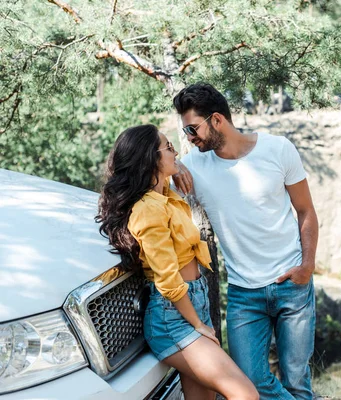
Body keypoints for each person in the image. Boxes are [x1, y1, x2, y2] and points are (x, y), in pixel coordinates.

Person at [172, 83, 319, 400]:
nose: (189, 137)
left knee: (296, 382)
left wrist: (307, 266)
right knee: (250, 384)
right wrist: (173, 165)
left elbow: (306, 210)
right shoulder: (194, 167)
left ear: (216, 120)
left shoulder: (278, 150)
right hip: (243, 295)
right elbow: (157, 196)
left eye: (192, 128)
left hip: (292, 286)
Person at [96, 124, 258, 400]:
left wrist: (175, 167)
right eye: (169, 147)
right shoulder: (147, 209)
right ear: (150, 159)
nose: (175, 151)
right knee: (245, 394)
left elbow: (169, 171)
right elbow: (168, 279)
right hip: (174, 317)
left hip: (194, 305)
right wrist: (197, 323)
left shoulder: (167, 197)